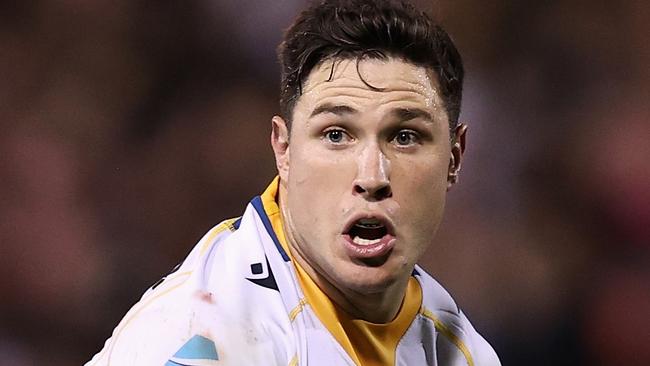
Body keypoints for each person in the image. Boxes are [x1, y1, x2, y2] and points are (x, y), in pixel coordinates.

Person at [86, 0, 500, 365]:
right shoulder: (202, 337)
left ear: (454, 157)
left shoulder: (462, 351)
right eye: (336, 134)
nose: (372, 177)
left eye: (405, 137)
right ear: (283, 150)